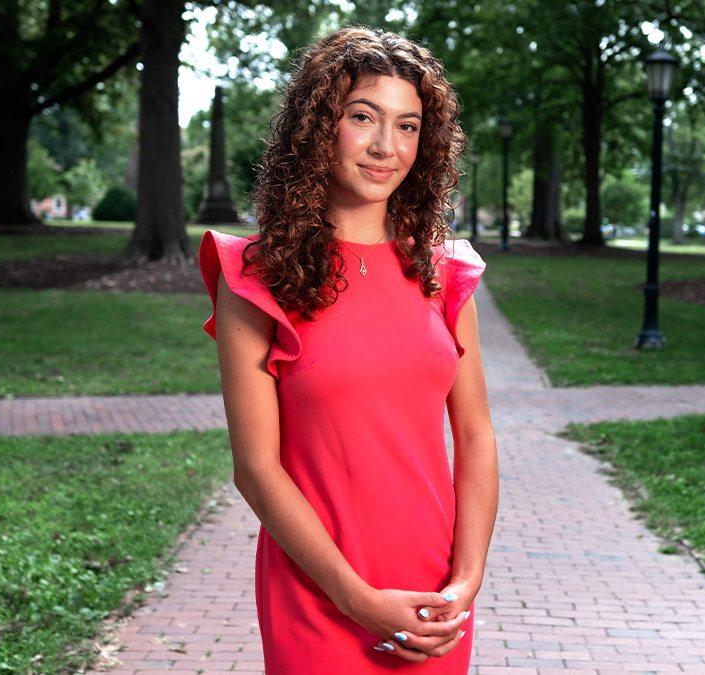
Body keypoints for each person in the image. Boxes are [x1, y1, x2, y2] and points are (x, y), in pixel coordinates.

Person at [196, 25, 499, 674]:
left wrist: (466, 580)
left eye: (409, 125)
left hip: (432, 595)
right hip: (317, 593)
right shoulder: (255, 275)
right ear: (319, 124)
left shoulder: (444, 274)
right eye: (363, 117)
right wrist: (354, 597)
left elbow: (474, 435)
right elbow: (256, 466)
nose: (386, 146)